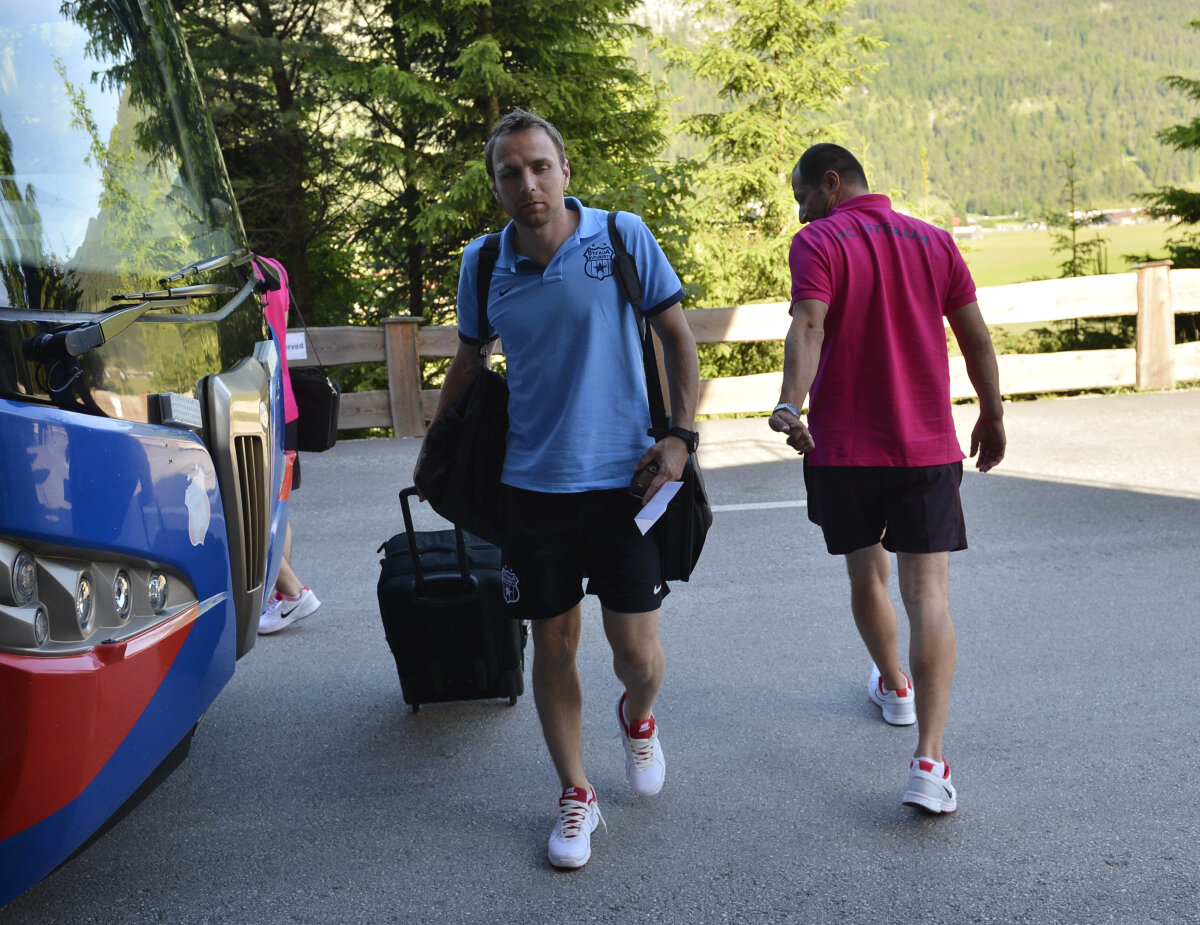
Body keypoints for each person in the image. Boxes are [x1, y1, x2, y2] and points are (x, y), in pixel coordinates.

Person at [416, 109, 699, 868]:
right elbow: (469, 362)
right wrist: (436, 448)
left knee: (637, 653)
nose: (527, 184)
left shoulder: (619, 237)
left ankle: (638, 719)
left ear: (565, 170)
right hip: (531, 489)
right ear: (496, 185)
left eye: (539, 167)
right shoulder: (482, 264)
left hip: (625, 483)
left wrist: (680, 435)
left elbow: (677, 337)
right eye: (510, 173)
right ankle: (576, 791)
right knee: (554, 644)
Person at [769, 143, 1005, 814]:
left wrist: (792, 400)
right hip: (927, 448)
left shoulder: (818, 241)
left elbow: (808, 324)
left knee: (867, 575)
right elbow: (976, 339)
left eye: (803, 195)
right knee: (929, 596)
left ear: (831, 183)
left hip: (846, 450)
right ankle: (929, 760)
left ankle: (896, 685)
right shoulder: (935, 241)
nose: (801, 210)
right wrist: (991, 413)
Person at [256, 256, 321, 636]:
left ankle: (294, 593)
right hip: (287, 405)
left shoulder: (235, 275)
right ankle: (275, 600)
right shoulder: (274, 267)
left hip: (255, 407)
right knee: (278, 509)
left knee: (256, 511)